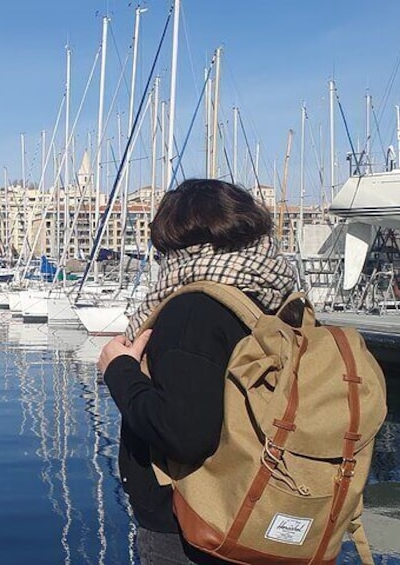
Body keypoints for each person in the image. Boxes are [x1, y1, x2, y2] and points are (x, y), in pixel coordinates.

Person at [98, 179, 297, 564]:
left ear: (175, 245)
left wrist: (119, 369)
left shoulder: (193, 309)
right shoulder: (274, 299)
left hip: (194, 525)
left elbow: (183, 434)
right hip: (263, 508)